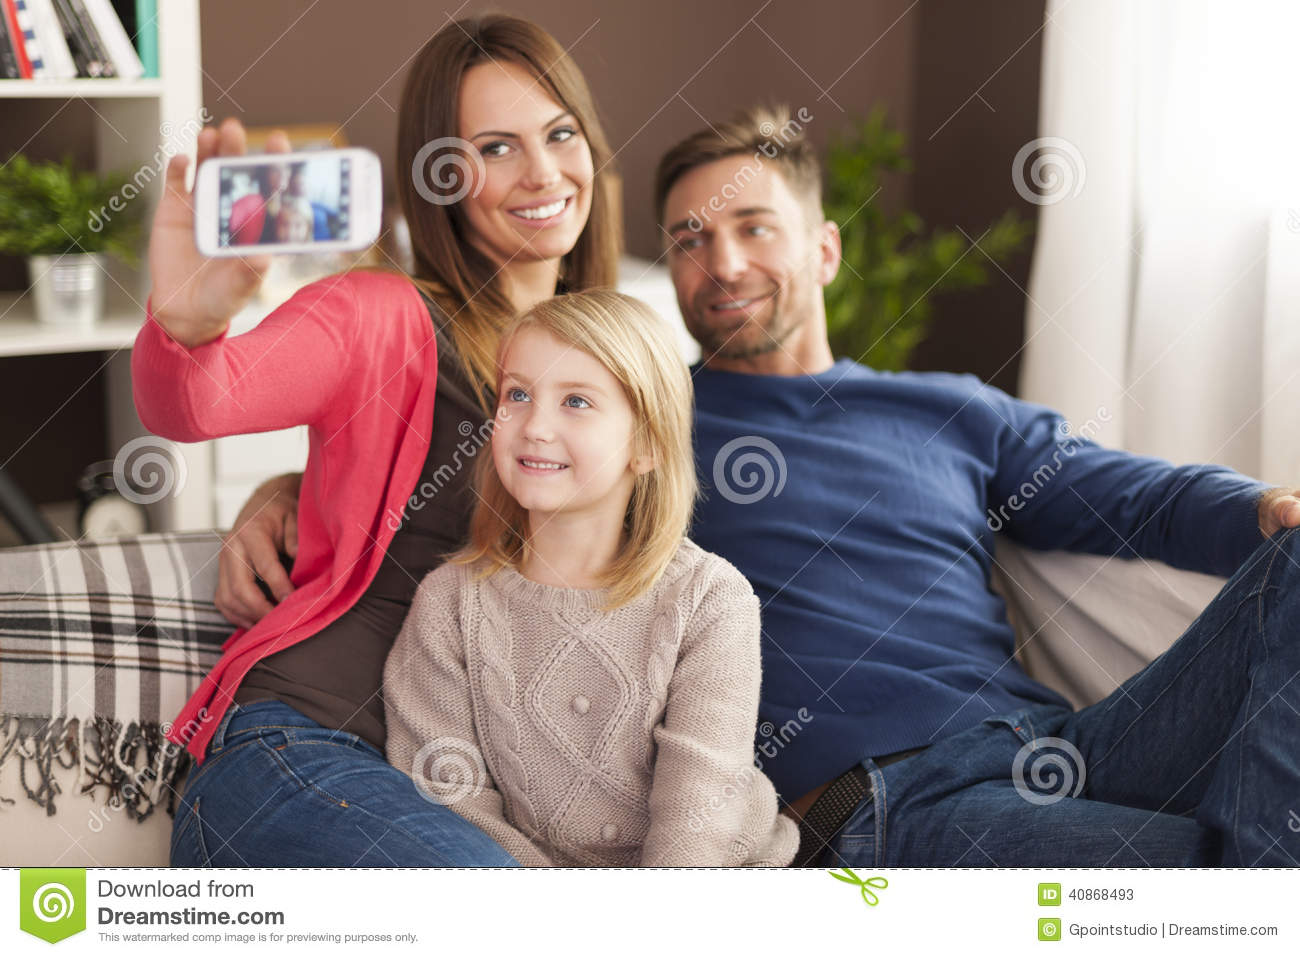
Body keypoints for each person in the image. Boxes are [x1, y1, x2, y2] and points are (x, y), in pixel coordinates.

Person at [231, 102, 1300, 869]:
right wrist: (288, 485)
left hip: (1063, 740)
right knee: (1204, 877)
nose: (720, 261)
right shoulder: (640, 419)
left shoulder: (952, 410)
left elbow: (1133, 496)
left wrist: (1261, 511)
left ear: (824, 249)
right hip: (889, 797)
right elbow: (480, 460)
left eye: (753, 228)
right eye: (688, 239)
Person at [135, 13, 620, 866]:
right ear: (439, 176)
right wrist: (186, 322)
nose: (542, 171)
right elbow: (197, 406)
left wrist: (296, 484)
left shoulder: (620, 361)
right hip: (308, 753)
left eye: (559, 133)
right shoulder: (383, 313)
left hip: (474, 791)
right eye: (496, 148)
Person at [383, 290, 797, 866]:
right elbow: (453, 803)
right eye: (518, 394)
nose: (535, 427)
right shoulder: (450, 603)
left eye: (576, 401)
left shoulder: (710, 599)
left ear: (648, 445)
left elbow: (698, 815)